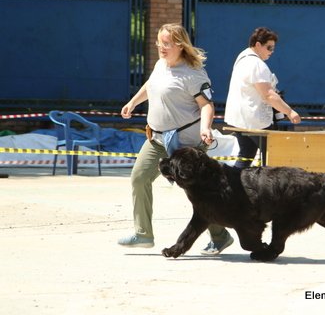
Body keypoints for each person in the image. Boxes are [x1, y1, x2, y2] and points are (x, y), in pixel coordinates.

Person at [118, 23, 233, 251]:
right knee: (139, 179)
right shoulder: (161, 65)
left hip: (187, 143)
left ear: (180, 45)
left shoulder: (193, 74)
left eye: (167, 43)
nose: (161, 47)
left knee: (201, 192)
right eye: (159, 42)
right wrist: (133, 102)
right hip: (157, 139)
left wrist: (205, 128)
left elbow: (207, 105)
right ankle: (143, 234)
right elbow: (151, 85)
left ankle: (220, 236)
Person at [200, 27, 301, 255]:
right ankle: (271, 201)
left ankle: (231, 193)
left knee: (244, 159)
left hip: (240, 121)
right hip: (255, 122)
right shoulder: (256, 64)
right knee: (270, 164)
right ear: (257, 44)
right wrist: (290, 112)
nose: (271, 52)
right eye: (269, 47)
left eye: (273, 48)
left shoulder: (242, 58)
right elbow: (268, 95)